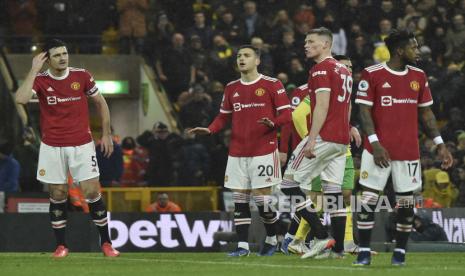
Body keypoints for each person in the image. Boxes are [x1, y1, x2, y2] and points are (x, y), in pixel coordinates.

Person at [353, 30, 453, 266]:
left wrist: (440, 144)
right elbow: (364, 111)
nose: (417, 51)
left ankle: (400, 253)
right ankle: (364, 251)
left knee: (407, 204)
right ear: (400, 50)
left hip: (408, 151)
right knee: (367, 199)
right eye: (413, 47)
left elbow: (426, 113)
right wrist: (376, 144)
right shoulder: (372, 74)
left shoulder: (419, 75)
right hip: (377, 150)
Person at [15, 39, 120, 258]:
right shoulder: (41, 80)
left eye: (65, 53)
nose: (63, 58)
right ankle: (61, 246)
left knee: (91, 191)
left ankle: (107, 243)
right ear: (47, 59)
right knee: (58, 193)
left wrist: (106, 134)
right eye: (57, 55)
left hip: (82, 144)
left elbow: (100, 102)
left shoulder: (81, 75)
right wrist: (34, 70)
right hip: (52, 146)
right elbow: (20, 98)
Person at [189, 45, 291, 256]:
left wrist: (272, 123)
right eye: (239, 56)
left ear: (257, 60)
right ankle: (243, 246)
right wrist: (209, 129)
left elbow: (287, 115)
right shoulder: (231, 87)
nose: (241, 59)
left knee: (262, 199)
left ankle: (272, 238)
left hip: (264, 149)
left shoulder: (272, 84)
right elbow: (223, 117)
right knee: (240, 199)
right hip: (237, 151)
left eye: (246, 55)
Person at [279, 27, 352, 259]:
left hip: (323, 137)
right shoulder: (345, 70)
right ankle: (339, 250)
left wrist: (311, 139)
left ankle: (321, 236)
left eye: (311, 42)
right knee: (333, 194)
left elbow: (320, 106)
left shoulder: (320, 69)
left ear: (326, 45)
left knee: (288, 184)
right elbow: (347, 107)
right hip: (341, 141)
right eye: (305, 41)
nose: (306, 45)